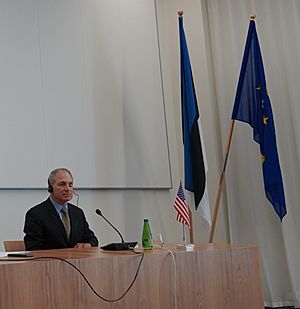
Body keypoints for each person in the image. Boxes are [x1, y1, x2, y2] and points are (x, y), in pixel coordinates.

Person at [23, 168, 98, 250]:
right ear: (50, 188)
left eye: (70, 184)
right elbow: (33, 248)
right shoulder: (35, 214)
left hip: (77, 261)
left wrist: (89, 245)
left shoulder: (78, 213)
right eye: (62, 184)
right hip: (50, 262)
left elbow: (93, 239)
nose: (67, 189)